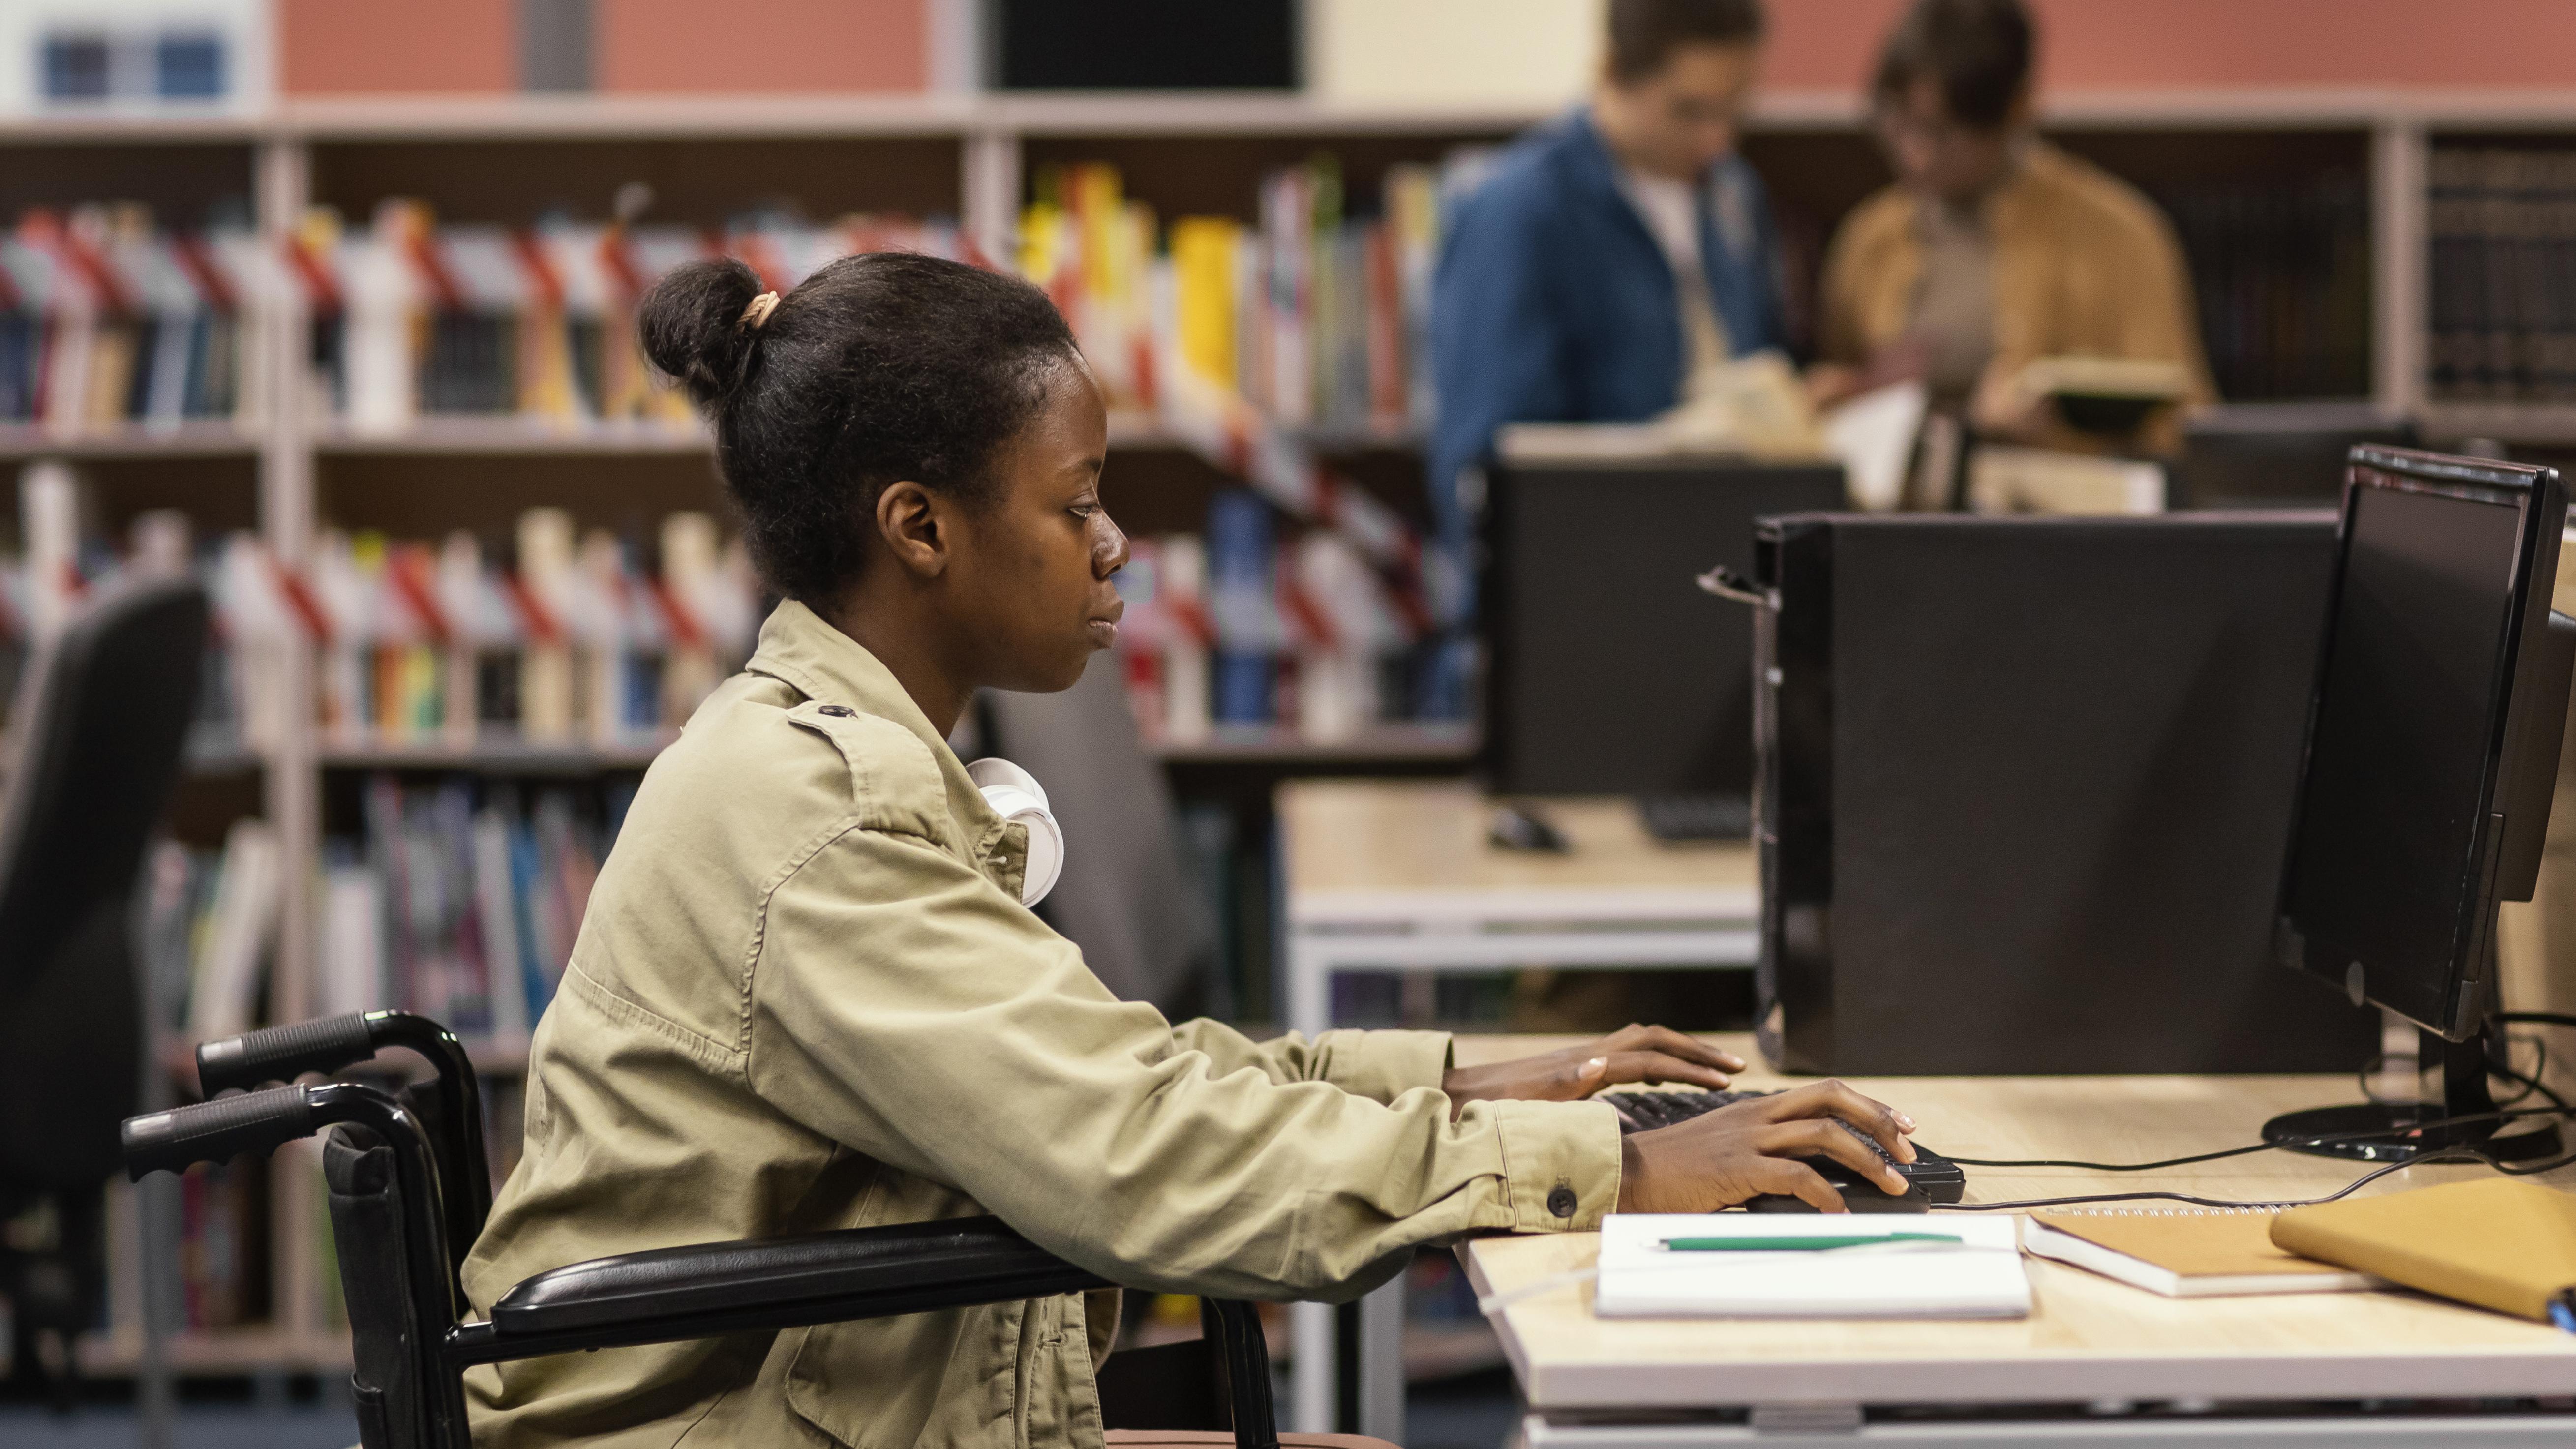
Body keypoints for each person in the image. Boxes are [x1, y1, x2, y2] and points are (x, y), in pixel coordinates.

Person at [458, 251, 1923, 1448]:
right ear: (919, 527)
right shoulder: (825, 818)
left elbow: (1111, 1078)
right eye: (1075, 501)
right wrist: (1613, 1164)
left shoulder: (828, 754)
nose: (1114, 545)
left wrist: (1465, 1081)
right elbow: (1141, 1155)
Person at [1429, 0, 1788, 548]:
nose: (1717, 139)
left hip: (1728, 548)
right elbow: (1485, 463)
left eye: (1736, 110)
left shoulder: (1735, 195)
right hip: (1603, 563)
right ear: (1612, 74)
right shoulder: (1519, 211)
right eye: (1689, 111)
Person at [1812, 0, 2213, 454]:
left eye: (1943, 133)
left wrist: (2056, 436)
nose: (1914, 154)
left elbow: (2181, 428)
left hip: (2059, 494)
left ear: (2016, 110)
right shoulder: (1870, 240)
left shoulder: (2116, 237)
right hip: (1900, 496)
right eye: (1898, 125)